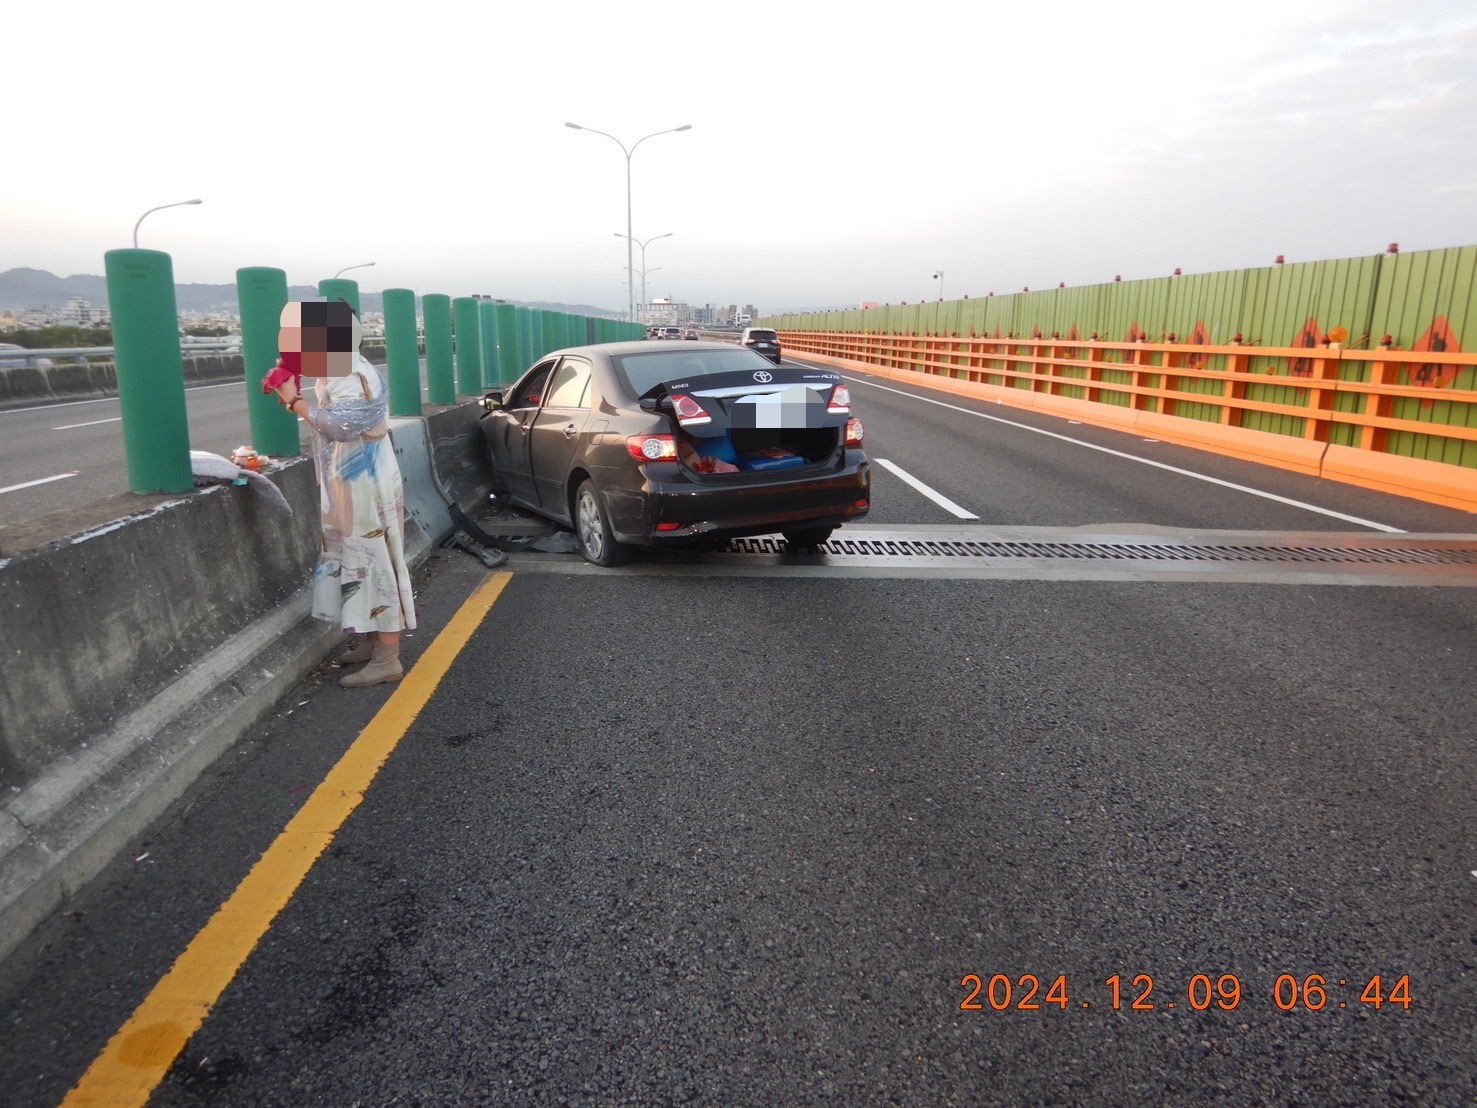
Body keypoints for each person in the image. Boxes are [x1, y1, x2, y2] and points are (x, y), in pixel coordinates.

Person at [270, 299, 417, 687]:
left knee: (373, 559)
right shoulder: (338, 366)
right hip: (350, 476)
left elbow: (340, 427)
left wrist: (293, 400)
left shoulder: (351, 371)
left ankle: (388, 657)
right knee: (354, 557)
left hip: (363, 479)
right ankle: (371, 640)